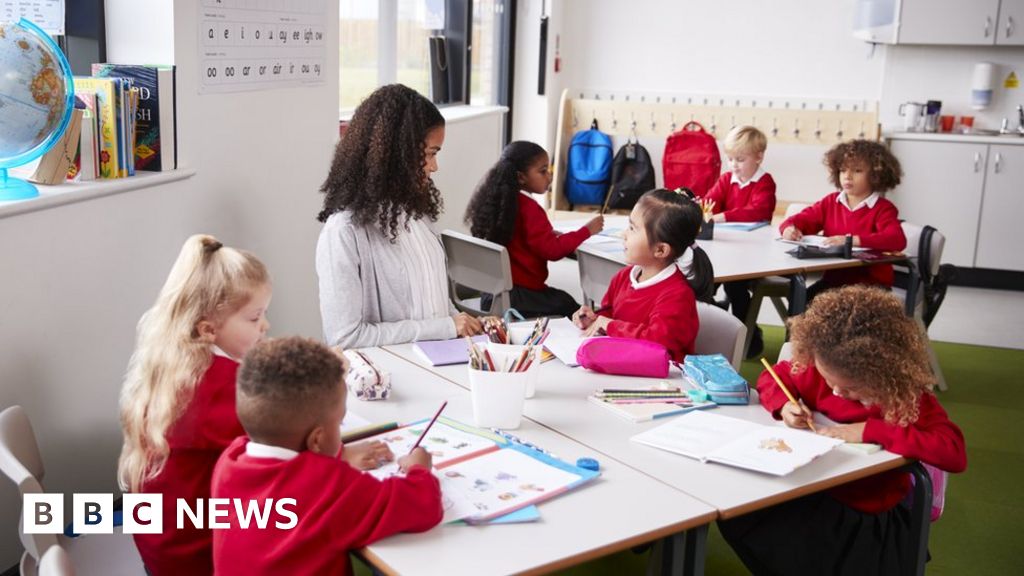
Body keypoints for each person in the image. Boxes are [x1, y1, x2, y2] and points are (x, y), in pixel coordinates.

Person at [719, 285, 967, 576]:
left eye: (850, 388)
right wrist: (785, 405)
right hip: (809, 489)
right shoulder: (816, 370)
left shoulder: (904, 397)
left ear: (882, 373)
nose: (835, 392)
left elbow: (953, 452)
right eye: (829, 379)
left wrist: (872, 430)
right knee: (736, 514)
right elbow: (774, 377)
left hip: (862, 515)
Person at [212, 337, 442, 575]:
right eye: (339, 422)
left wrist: (339, 455)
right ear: (317, 440)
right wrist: (419, 469)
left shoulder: (230, 460)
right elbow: (423, 505)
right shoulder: (327, 485)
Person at [117, 234, 272, 576]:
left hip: (159, 542)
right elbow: (281, 447)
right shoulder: (219, 385)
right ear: (208, 328)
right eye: (254, 318)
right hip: (193, 557)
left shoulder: (176, 361)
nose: (265, 326)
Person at [316, 84, 482, 348]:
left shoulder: (418, 215)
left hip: (437, 364)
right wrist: (445, 327)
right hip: (391, 379)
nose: (434, 166)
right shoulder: (344, 232)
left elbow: (433, 300)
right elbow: (344, 337)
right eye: (430, 154)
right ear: (396, 155)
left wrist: (461, 320)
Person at [464, 140, 603, 318]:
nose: (550, 176)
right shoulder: (529, 208)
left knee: (561, 299)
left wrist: (550, 236)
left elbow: (522, 237)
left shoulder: (501, 202)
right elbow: (552, 251)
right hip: (520, 296)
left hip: (493, 295)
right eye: (542, 171)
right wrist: (587, 230)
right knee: (570, 306)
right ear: (521, 177)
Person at [572, 188, 714, 362]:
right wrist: (594, 319)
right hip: (625, 361)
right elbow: (612, 313)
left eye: (633, 229)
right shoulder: (624, 276)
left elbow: (659, 342)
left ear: (660, 250)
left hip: (665, 378)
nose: (624, 234)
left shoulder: (677, 295)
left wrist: (609, 325)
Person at [779, 139, 906, 302]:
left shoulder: (883, 208)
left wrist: (850, 241)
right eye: (842, 170)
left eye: (857, 170)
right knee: (799, 303)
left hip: (871, 287)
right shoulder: (830, 202)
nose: (847, 176)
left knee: (834, 313)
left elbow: (896, 239)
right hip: (833, 283)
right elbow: (800, 220)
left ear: (876, 175)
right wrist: (789, 228)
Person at [704, 125, 777, 358]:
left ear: (758, 157)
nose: (734, 164)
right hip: (726, 252)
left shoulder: (765, 182)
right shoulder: (727, 179)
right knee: (703, 280)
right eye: (730, 159)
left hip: (753, 255)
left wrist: (723, 216)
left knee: (736, 288)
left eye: (740, 159)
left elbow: (757, 211)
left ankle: (748, 337)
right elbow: (709, 202)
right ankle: (715, 323)